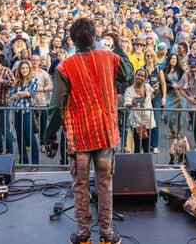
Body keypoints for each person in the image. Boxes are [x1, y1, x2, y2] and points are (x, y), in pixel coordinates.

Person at [43, 17, 132, 244]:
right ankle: (107, 235)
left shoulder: (64, 67)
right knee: (105, 186)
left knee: (80, 187)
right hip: (104, 134)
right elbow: (128, 74)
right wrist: (118, 47)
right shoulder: (109, 57)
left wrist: (48, 134)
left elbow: (56, 105)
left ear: (72, 40)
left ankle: (83, 236)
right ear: (94, 38)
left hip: (79, 138)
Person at [10, 60, 40, 169]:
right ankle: (23, 161)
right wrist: (20, 94)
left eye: (26, 68)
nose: (25, 70)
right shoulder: (17, 81)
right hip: (17, 111)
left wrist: (18, 93)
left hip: (27, 111)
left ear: (29, 69)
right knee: (19, 137)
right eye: (23, 68)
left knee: (30, 136)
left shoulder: (33, 80)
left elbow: (30, 93)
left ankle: (35, 163)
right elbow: (11, 96)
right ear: (19, 70)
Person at [123, 68, 156, 154]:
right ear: (135, 76)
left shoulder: (148, 87)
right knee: (137, 147)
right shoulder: (129, 90)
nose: (140, 77)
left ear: (145, 78)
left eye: (142, 76)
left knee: (147, 148)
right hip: (136, 122)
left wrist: (156, 90)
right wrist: (132, 104)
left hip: (148, 121)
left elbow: (153, 95)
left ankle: (147, 163)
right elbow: (126, 104)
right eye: (138, 75)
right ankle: (137, 162)